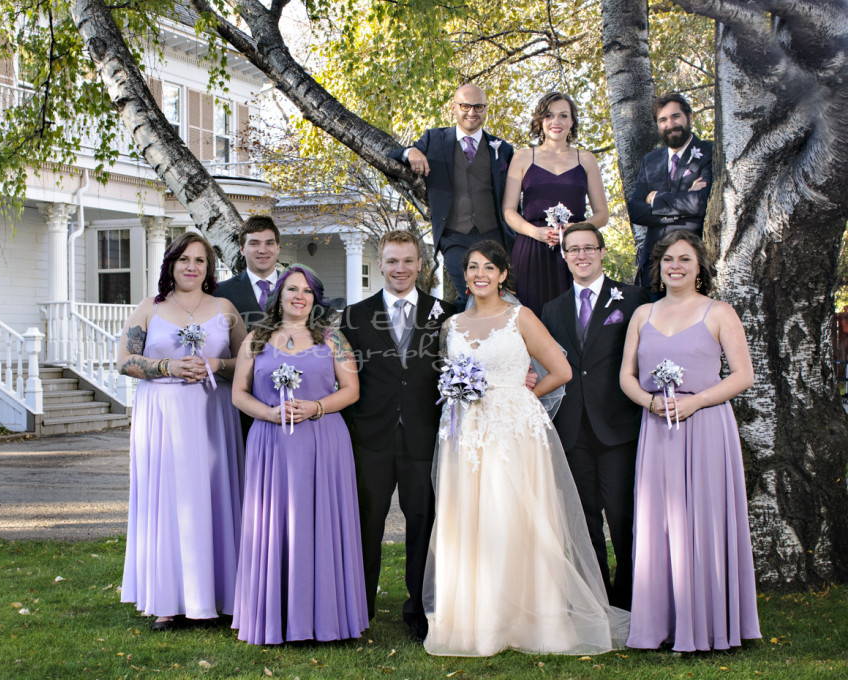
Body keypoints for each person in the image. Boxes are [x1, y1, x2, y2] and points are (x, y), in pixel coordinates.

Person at [424, 240, 628, 657]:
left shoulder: (521, 317)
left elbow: (562, 370)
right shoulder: (452, 325)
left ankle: (533, 620)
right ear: (464, 276)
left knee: (514, 518)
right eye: (472, 268)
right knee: (470, 522)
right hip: (466, 433)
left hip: (512, 430)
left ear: (502, 275)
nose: (480, 274)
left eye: (488, 268)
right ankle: (478, 621)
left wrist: (522, 400)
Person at [619, 230, 760, 651]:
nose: (675, 266)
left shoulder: (719, 313)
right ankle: (660, 626)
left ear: (699, 268)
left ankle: (712, 626)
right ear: (658, 267)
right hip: (658, 431)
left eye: (684, 259)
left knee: (704, 523)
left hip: (706, 430)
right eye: (668, 260)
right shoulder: (643, 314)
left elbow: (743, 376)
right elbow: (626, 375)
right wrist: (648, 401)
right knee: (659, 526)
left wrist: (696, 402)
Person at [230, 265, 369, 644]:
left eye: (307, 291)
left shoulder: (332, 338)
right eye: (291, 289)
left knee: (320, 522)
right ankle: (275, 617)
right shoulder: (257, 338)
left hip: (323, 443)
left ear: (315, 298)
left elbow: (351, 389)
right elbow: (238, 393)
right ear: (278, 296)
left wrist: (316, 408)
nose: (299, 296)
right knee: (273, 528)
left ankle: (327, 618)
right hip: (271, 444)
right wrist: (270, 414)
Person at [116, 232, 246, 631]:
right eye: (184, 259)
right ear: (170, 264)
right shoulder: (149, 309)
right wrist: (169, 367)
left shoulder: (225, 309)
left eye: (200, 261)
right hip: (163, 412)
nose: (192, 266)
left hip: (212, 413)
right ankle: (168, 602)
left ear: (209, 268)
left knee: (214, 497)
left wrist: (214, 365)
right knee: (168, 500)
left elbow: (246, 361)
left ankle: (221, 596)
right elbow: (123, 361)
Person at [340, 230, 453, 641]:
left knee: (424, 523)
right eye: (391, 261)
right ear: (380, 263)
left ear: (420, 264)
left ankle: (420, 611)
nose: (400, 269)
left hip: (424, 436)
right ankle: (358, 609)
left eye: (407, 261)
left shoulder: (446, 313)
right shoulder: (353, 316)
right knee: (365, 524)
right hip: (371, 437)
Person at [542, 223, 649, 610]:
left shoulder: (634, 300)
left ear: (603, 252)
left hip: (618, 427)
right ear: (564, 255)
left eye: (589, 248)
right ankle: (599, 601)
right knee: (585, 524)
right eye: (573, 249)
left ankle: (633, 600)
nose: (582, 255)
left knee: (624, 519)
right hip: (573, 431)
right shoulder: (552, 310)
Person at [390, 83, 514, 310]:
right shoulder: (434, 139)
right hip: (455, 236)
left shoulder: (502, 149)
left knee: (494, 295)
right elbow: (392, 157)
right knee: (469, 291)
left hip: (495, 235)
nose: (472, 112)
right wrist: (411, 151)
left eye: (478, 106)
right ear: (453, 108)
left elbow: (514, 192)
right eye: (465, 106)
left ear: (486, 109)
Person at [503, 91, 609, 318]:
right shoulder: (522, 157)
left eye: (563, 116)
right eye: (549, 116)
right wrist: (536, 232)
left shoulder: (586, 159)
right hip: (532, 248)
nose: (556, 122)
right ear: (540, 121)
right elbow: (509, 211)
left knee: (575, 317)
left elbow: (602, 214)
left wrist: (578, 231)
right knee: (531, 317)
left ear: (572, 121)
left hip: (575, 250)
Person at [627, 93, 713, 289]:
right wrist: (681, 207)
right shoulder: (651, 160)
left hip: (691, 263)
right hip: (653, 265)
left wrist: (656, 199)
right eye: (663, 120)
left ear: (689, 118)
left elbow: (700, 202)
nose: (670, 124)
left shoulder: (709, 152)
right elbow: (635, 210)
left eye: (676, 117)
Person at [216, 215, 282, 328]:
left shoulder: (298, 289)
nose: (262, 250)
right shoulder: (221, 293)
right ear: (242, 249)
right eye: (254, 243)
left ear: (278, 248)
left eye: (269, 243)